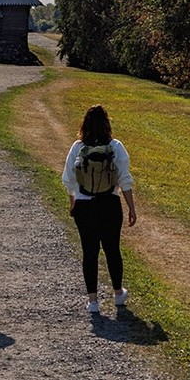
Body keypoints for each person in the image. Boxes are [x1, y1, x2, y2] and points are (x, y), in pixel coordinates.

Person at [60, 104, 137, 313]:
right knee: (112, 249)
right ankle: (118, 293)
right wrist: (131, 208)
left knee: (90, 251)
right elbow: (125, 180)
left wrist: (73, 201)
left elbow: (69, 179)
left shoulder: (78, 147)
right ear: (107, 124)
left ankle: (93, 301)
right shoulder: (115, 147)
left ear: (84, 124)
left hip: (85, 205)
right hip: (110, 203)